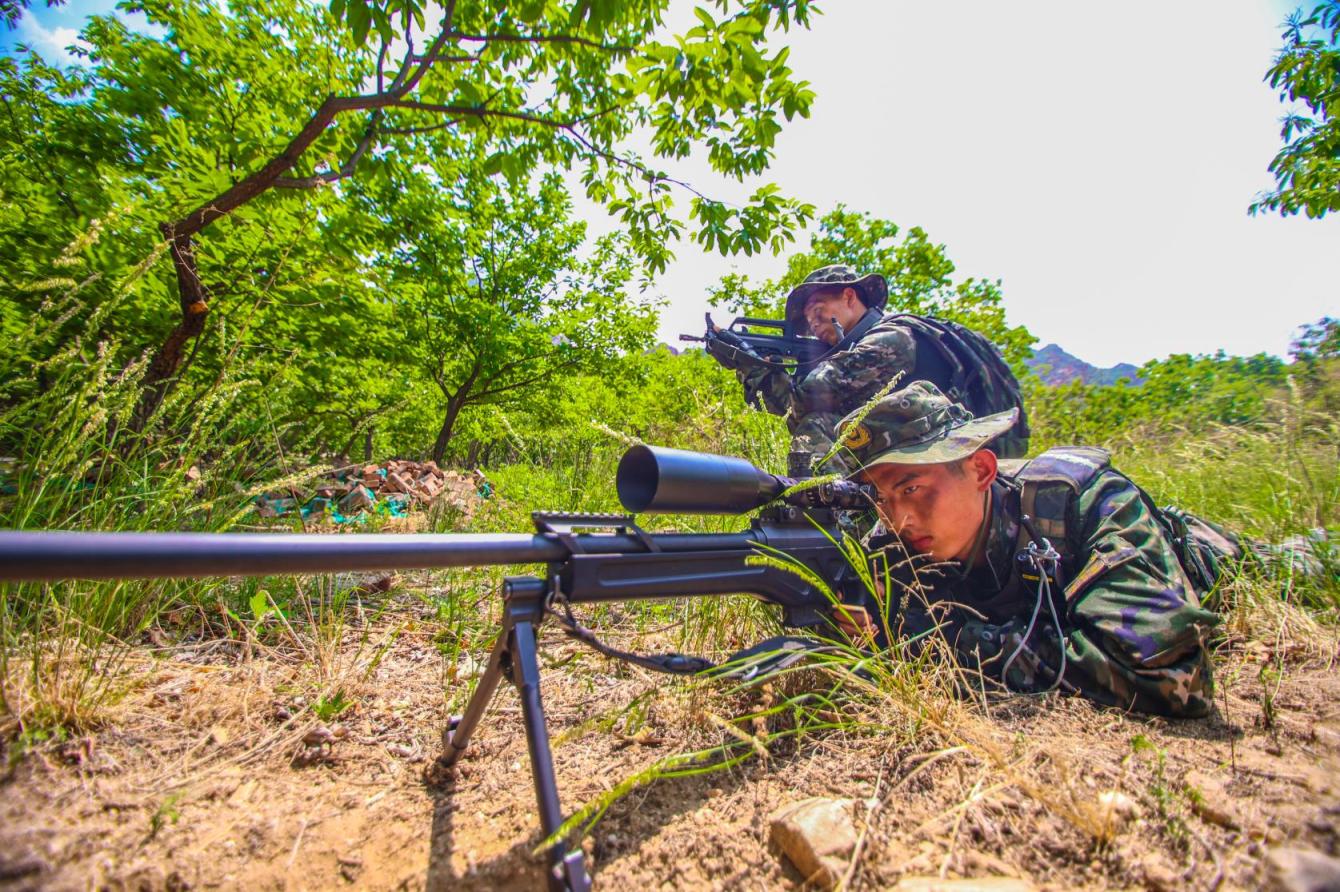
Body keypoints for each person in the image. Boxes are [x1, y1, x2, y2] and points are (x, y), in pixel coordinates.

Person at [829, 381, 1230, 718]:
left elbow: (1176, 681)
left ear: (981, 470)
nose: (899, 520)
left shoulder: (1079, 500)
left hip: (1212, 553)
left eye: (911, 489)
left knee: (1289, 562)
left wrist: (949, 643)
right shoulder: (891, 544)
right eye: (880, 498)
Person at [704, 264, 1029, 475]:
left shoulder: (891, 338)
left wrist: (748, 362)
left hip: (958, 456)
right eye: (808, 320)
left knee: (818, 425)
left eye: (818, 312)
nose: (813, 324)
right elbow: (786, 405)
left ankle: (822, 529)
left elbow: (800, 403)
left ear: (849, 297)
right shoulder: (863, 343)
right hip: (929, 452)